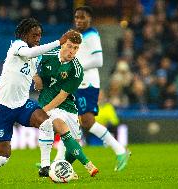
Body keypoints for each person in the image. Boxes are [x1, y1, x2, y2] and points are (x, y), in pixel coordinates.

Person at [0, 18, 97, 183]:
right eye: (34, 35)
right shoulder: (17, 46)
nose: (37, 39)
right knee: (4, 155)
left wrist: (42, 81)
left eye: (39, 36)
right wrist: (59, 42)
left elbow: (36, 75)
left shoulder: (37, 57)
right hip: (4, 108)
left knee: (46, 122)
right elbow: (27, 55)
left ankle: (45, 166)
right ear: (24, 34)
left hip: (22, 105)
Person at [56, 6, 130, 172]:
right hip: (78, 83)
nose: (79, 20)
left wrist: (76, 67)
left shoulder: (92, 35)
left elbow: (98, 60)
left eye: (83, 17)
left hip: (87, 84)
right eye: (77, 17)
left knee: (87, 122)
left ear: (90, 19)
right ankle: (57, 163)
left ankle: (120, 150)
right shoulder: (79, 36)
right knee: (69, 121)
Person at [34, 30, 98, 178]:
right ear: (62, 44)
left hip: (67, 106)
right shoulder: (47, 55)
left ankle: (59, 168)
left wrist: (43, 111)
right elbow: (33, 70)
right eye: (69, 46)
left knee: (75, 146)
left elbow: (63, 96)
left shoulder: (76, 70)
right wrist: (35, 76)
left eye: (75, 48)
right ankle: (88, 165)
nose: (72, 51)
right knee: (59, 124)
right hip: (47, 101)